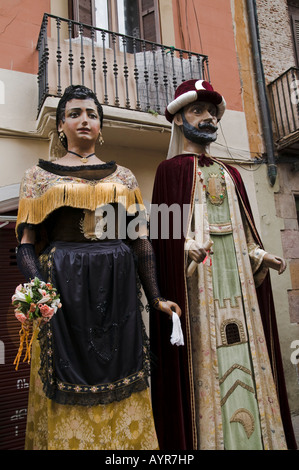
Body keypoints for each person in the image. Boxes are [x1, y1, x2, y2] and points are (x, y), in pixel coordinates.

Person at [15, 84, 180, 450]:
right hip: (63, 294)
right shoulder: (38, 176)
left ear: (101, 127)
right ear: (61, 125)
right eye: (74, 114)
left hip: (118, 294)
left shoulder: (124, 177)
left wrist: (155, 298)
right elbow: (26, 245)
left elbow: (139, 241)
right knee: (62, 378)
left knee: (124, 372)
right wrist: (39, 292)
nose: (84, 120)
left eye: (91, 114)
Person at [150, 79, 297, 450]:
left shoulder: (232, 175)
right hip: (199, 297)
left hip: (242, 298)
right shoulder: (170, 173)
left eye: (212, 113)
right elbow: (163, 240)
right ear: (179, 119)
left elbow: (245, 236)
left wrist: (261, 256)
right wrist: (185, 248)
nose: (208, 119)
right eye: (197, 111)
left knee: (248, 355)